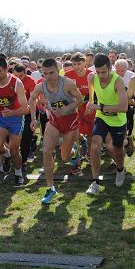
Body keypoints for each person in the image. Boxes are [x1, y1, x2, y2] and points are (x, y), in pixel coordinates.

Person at [29, 58, 84, 204]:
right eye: (45, 73)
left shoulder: (68, 83)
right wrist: (33, 119)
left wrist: (65, 109)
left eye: (51, 73)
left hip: (70, 120)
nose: (48, 76)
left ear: (58, 71)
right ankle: (50, 188)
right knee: (46, 151)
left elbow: (80, 100)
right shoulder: (41, 86)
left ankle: (74, 153)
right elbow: (32, 98)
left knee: (64, 157)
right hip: (54, 121)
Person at [84, 53, 129, 195]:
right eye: (98, 72)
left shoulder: (118, 81)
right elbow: (91, 94)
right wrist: (90, 104)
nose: (101, 75)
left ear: (110, 68)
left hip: (118, 120)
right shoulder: (92, 78)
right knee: (95, 146)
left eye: (103, 72)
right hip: (101, 117)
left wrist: (100, 107)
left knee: (114, 149)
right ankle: (95, 182)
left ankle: (120, 169)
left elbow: (124, 107)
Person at [0, 56, 29, 187]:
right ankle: (6, 154)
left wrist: (12, 112)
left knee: (15, 150)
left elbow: (26, 108)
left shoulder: (16, 83)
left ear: (6, 69)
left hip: (16, 118)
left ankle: (18, 173)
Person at [65, 52, 94, 173]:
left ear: (85, 62)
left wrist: (91, 104)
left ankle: (90, 155)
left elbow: (96, 93)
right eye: (74, 64)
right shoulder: (68, 75)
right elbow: (65, 92)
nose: (76, 66)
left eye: (79, 63)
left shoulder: (91, 75)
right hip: (74, 108)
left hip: (89, 108)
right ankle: (76, 163)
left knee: (92, 135)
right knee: (74, 136)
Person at [14, 64, 37, 165]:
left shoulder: (30, 80)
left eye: (21, 76)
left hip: (27, 110)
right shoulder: (10, 80)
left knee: (26, 136)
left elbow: (32, 99)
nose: (19, 78)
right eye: (16, 76)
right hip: (13, 112)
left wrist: (33, 117)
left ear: (25, 72)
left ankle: (23, 160)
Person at [114, 59, 135, 155]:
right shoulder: (111, 75)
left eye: (122, 71)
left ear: (127, 69)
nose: (120, 73)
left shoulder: (132, 76)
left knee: (129, 121)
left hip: (129, 102)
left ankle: (128, 137)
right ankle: (122, 143)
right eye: (118, 70)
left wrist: (133, 102)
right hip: (115, 103)